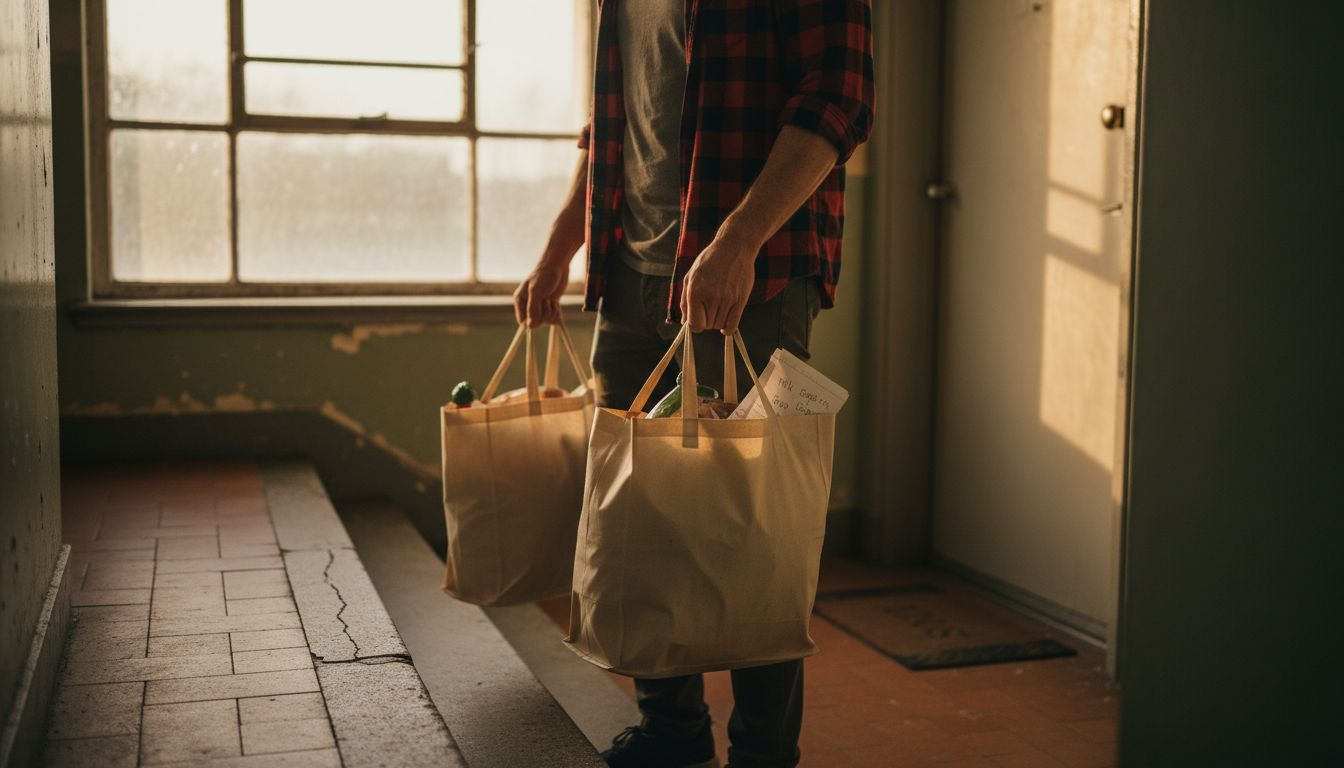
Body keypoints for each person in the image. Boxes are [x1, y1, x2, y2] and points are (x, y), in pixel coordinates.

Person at [514, 1, 874, 766]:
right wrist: (560, 247)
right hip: (630, 275)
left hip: (751, 277)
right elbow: (608, 125)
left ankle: (764, 754)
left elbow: (840, 96)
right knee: (636, 516)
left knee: (754, 524)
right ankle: (671, 733)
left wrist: (737, 240)